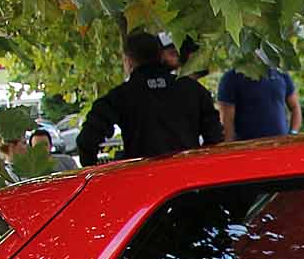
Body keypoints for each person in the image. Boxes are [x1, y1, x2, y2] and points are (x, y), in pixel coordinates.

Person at [79, 31, 224, 165]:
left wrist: (94, 173)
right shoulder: (193, 90)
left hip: (145, 181)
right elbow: (215, 137)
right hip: (188, 179)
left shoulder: (121, 96)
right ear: (161, 55)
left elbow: (86, 140)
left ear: (128, 60)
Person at [216, 62, 301, 142]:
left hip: (280, 146)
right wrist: (230, 149)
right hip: (249, 148)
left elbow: (295, 107)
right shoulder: (231, 78)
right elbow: (227, 121)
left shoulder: (280, 73)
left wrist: (293, 134)